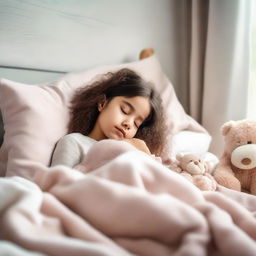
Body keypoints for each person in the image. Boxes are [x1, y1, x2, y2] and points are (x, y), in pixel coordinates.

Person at [51, 68, 167, 168]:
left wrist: (144, 154)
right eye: (124, 110)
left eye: (137, 123)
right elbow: (58, 182)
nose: (129, 124)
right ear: (102, 103)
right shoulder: (74, 142)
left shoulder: (131, 152)